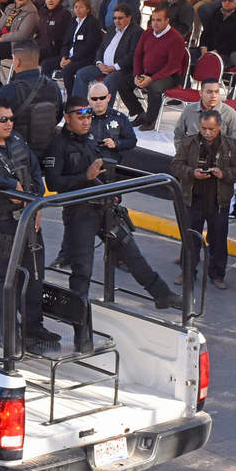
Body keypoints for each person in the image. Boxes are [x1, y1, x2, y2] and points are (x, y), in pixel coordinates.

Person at [44, 102, 179, 346]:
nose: (86, 120)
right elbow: (54, 183)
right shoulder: (58, 145)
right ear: (67, 118)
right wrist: (85, 177)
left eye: (88, 115)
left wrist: (108, 189)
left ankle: (162, 294)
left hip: (103, 207)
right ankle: (81, 333)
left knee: (131, 253)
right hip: (79, 213)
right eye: (80, 116)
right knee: (82, 273)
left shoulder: (89, 138)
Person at [0, 100, 60, 347]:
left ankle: (34, 327)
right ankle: (10, 333)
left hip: (28, 219)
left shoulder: (17, 141)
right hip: (0, 224)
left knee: (35, 275)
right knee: (6, 279)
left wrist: (35, 202)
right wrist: (10, 186)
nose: (9, 124)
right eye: (3, 120)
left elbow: (35, 172)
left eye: (11, 119)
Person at [170, 110, 236, 289]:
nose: (207, 133)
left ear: (219, 126)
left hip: (218, 202)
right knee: (190, 239)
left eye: (211, 129)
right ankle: (187, 273)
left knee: (218, 240)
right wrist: (192, 173)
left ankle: (217, 275)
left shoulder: (231, 145)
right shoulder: (189, 143)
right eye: (204, 128)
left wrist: (223, 174)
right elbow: (176, 165)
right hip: (193, 200)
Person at [131, 6, 187, 130]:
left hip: (169, 76)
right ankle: (140, 113)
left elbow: (173, 66)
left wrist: (152, 79)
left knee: (154, 87)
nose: (155, 23)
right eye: (153, 20)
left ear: (167, 21)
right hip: (147, 73)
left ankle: (151, 120)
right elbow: (138, 55)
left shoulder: (176, 38)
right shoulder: (147, 33)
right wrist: (137, 75)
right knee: (121, 80)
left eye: (159, 20)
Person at [71, 4, 141, 100]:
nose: (117, 21)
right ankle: (79, 104)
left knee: (109, 80)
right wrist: (99, 63)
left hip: (122, 69)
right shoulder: (112, 28)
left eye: (120, 18)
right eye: (115, 18)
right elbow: (101, 48)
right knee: (81, 73)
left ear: (129, 17)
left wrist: (114, 67)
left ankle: (106, 109)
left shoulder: (136, 31)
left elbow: (133, 55)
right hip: (103, 67)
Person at [172, 80, 236, 152]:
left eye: (216, 92)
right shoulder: (189, 110)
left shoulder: (230, 114)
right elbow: (178, 133)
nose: (213, 96)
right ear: (201, 93)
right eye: (209, 92)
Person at [48, 0, 102, 83]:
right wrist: (64, 57)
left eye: (81, 7)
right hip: (69, 57)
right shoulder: (73, 21)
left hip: (84, 58)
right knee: (46, 64)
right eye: (76, 7)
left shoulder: (92, 23)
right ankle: (50, 89)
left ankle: (71, 92)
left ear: (88, 9)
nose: (78, 9)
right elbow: (66, 42)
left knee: (68, 70)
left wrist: (71, 60)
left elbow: (89, 47)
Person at [197, 0, 236, 68]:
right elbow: (206, 32)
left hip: (228, 54)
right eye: (224, 0)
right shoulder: (217, 12)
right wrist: (204, 48)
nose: (227, 2)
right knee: (187, 55)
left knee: (209, 63)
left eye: (230, 0)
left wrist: (217, 51)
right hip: (209, 51)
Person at [87, 81, 137, 163]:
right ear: (89, 99)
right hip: (86, 162)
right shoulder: (82, 117)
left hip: (110, 163)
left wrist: (116, 143)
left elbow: (132, 141)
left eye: (102, 98)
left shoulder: (120, 118)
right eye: (94, 99)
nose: (98, 101)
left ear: (108, 97)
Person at [36, 0, 71, 66]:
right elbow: (40, 31)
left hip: (55, 49)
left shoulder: (65, 14)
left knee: (30, 57)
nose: (50, 0)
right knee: (23, 53)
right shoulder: (43, 13)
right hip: (41, 46)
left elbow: (67, 37)